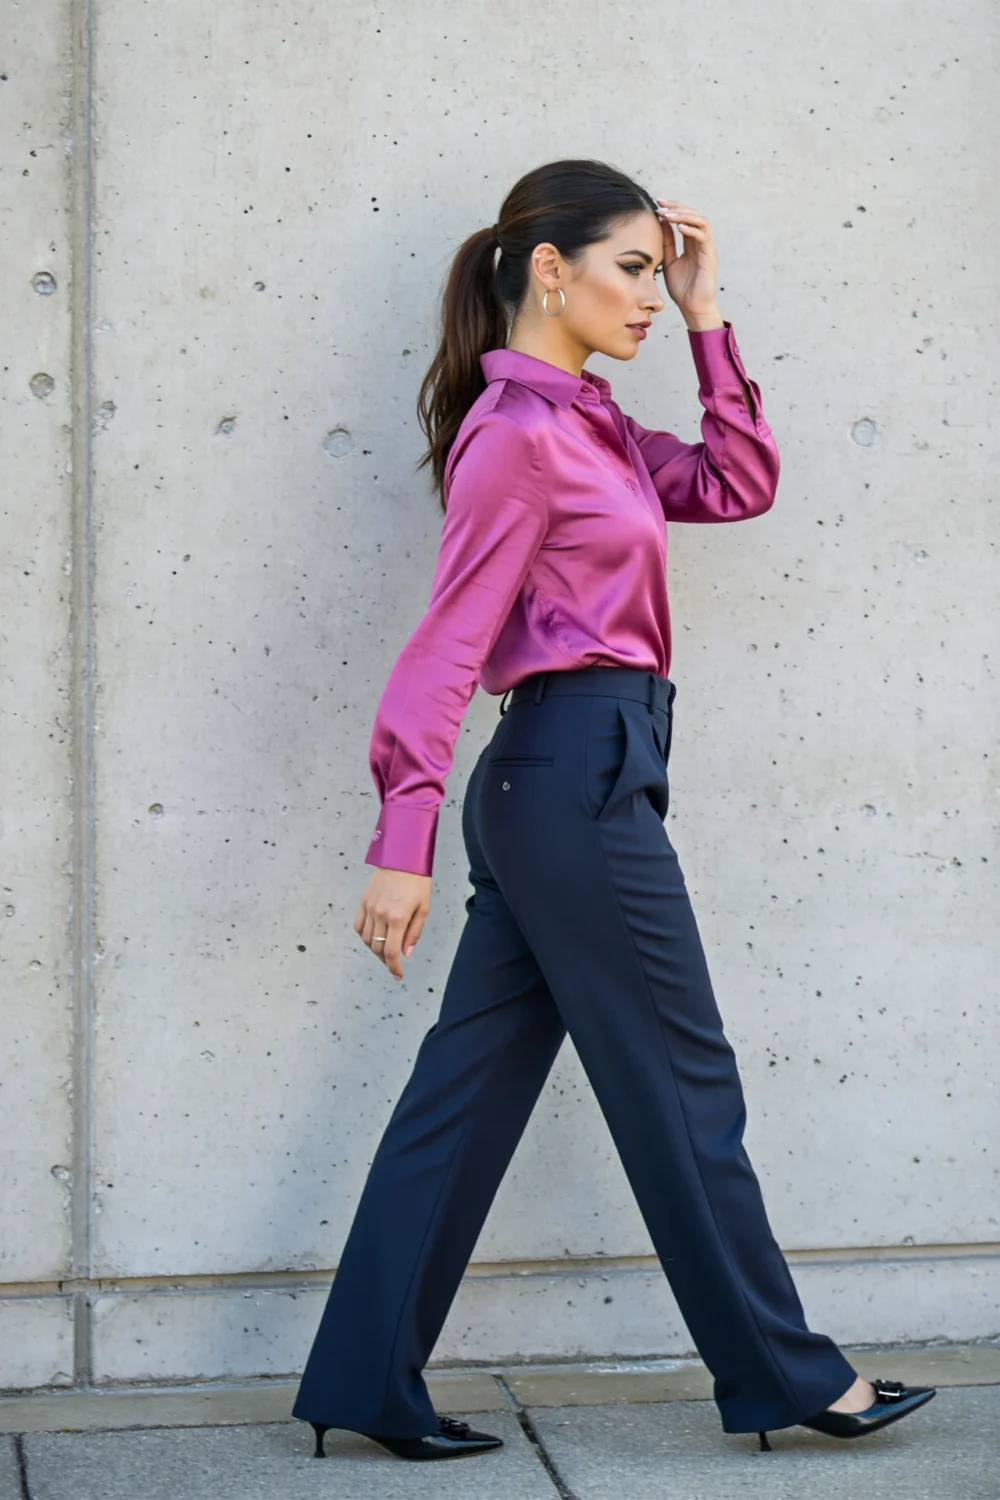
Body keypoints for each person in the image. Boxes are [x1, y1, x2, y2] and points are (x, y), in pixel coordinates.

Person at [291, 158, 936, 1462]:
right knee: (684, 1083)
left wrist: (709, 318)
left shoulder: (587, 423)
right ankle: (788, 1374)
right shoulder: (517, 435)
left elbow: (738, 481)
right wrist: (397, 843)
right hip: (571, 781)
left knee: (462, 1095)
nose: (648, 293)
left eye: (658, 269)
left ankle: (366, 1381)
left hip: (582, 779)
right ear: (550, 268)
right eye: (633, 269)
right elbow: (444, 644)